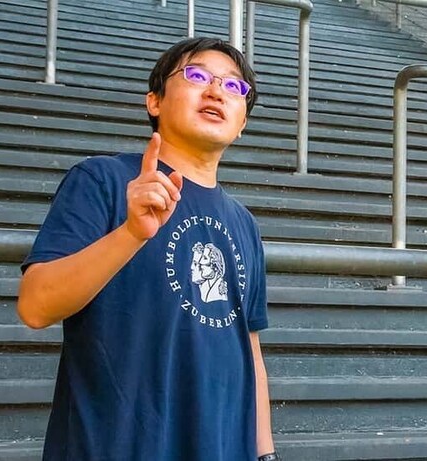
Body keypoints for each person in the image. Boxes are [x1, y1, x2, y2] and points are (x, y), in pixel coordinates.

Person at [16, 37, 279, 461]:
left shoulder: (243, 223)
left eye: (234, 87)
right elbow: (35, 305)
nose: (216, 92)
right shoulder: (102, 180)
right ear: (154, 101)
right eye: (196, 76)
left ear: (243, 121)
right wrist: (131, 233)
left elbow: (248, 349)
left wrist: (265, 454)